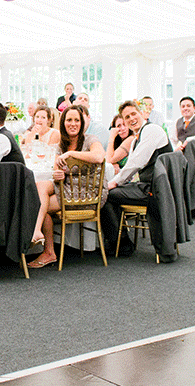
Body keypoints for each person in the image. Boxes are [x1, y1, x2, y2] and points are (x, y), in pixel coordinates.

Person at [29, 105, 106, 268]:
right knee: (40, 186)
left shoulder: (91, 139)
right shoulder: (60, 145)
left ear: (82, 123)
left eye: (76, 120)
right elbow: (57, 171)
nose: (73, 123)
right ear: (63, 123)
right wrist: (58, 175)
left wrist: (71, 154)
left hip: (88, 193)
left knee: (38, 206)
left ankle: (47, 249)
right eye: (69, 120)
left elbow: (99, 157)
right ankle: (40, 236)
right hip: (68, 188)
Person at [102, 100, 172, 257]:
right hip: (149, 186)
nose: (131, 119)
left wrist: (114, 183)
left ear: (142, 113)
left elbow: (136, 163)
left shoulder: (152, 130)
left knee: (106, 195)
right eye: (127, 117)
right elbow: (131, 169)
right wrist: (117, 182)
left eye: (133, 114)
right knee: (108, 191)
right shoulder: (136, 139)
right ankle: (119, 241)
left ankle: (122, 244)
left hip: (156, 189)